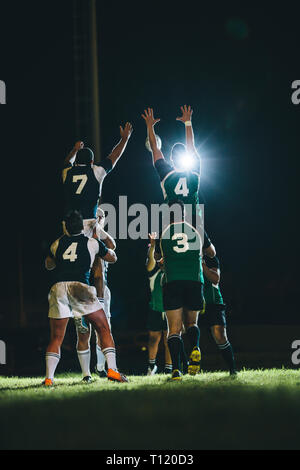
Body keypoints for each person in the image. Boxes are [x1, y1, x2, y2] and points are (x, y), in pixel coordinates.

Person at [44, 210, 128, 385]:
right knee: (104, 328)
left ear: (66, 227)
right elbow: (112, 257)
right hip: (80, 288)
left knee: (56, 337)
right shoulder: (91, 242)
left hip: (58, 288)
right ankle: (112, 369)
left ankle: (49, 378)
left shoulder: (57, 243)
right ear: (82, 226)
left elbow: (49, 265)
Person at [158, 200, 208, 381]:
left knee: (174, 329)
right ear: (184, 214)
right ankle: (195, 346)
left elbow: (161, 260)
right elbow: (202, 254)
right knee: (192, 323)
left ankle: (176, 370)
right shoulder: (195, 232)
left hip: (173, 281)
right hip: (195, 281)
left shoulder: (165, 234)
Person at [62, 122, 133, 236]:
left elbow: (66, 163)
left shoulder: (67, 172)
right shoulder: (95, 170)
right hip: (87, 223)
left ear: (76, 162)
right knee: (110, 247)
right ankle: (98, 246)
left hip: (68, 224)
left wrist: (75, 150)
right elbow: (114, 156)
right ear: (91, 162)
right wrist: (124, 139)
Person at [75, 207, 116, 380]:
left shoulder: (86, 235)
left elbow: (112, 245)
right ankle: (96, 369)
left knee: (89, 331)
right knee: (100, 329)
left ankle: (96, 369)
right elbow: (99, 271)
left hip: (81, 288)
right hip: (92, 287)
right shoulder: (88, 238)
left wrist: (100, 229)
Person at [200, 255, 237, 375]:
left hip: (213, 303)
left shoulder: (211, 258)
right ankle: (180, 370)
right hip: (194, 303)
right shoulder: (186, 255)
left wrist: (202, 264)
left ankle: (232, 369)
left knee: (220, 335)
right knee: (182, 331)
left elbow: (215, 279)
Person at [146, 233, 172, 375]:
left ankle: (169, 368)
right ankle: (152, 366)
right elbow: (150, 262)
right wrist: (152, 245)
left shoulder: (171, 270)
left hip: (170, 309)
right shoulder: (153, 272)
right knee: (153, 338)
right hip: (156, 309)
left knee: (170, 339)